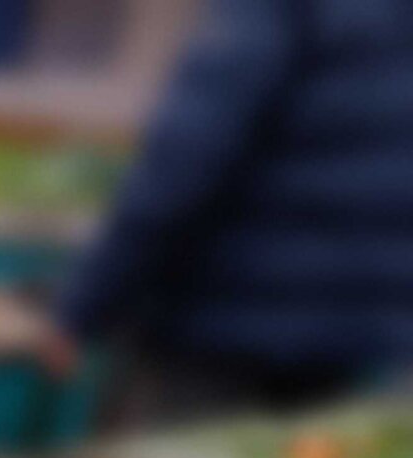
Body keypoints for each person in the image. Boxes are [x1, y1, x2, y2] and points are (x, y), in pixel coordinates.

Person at [57, 0, 413, 418]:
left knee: (185, 457)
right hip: (354, 329)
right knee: (307, 454)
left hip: (224, 322)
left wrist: (81, 307)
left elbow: (184, 162)